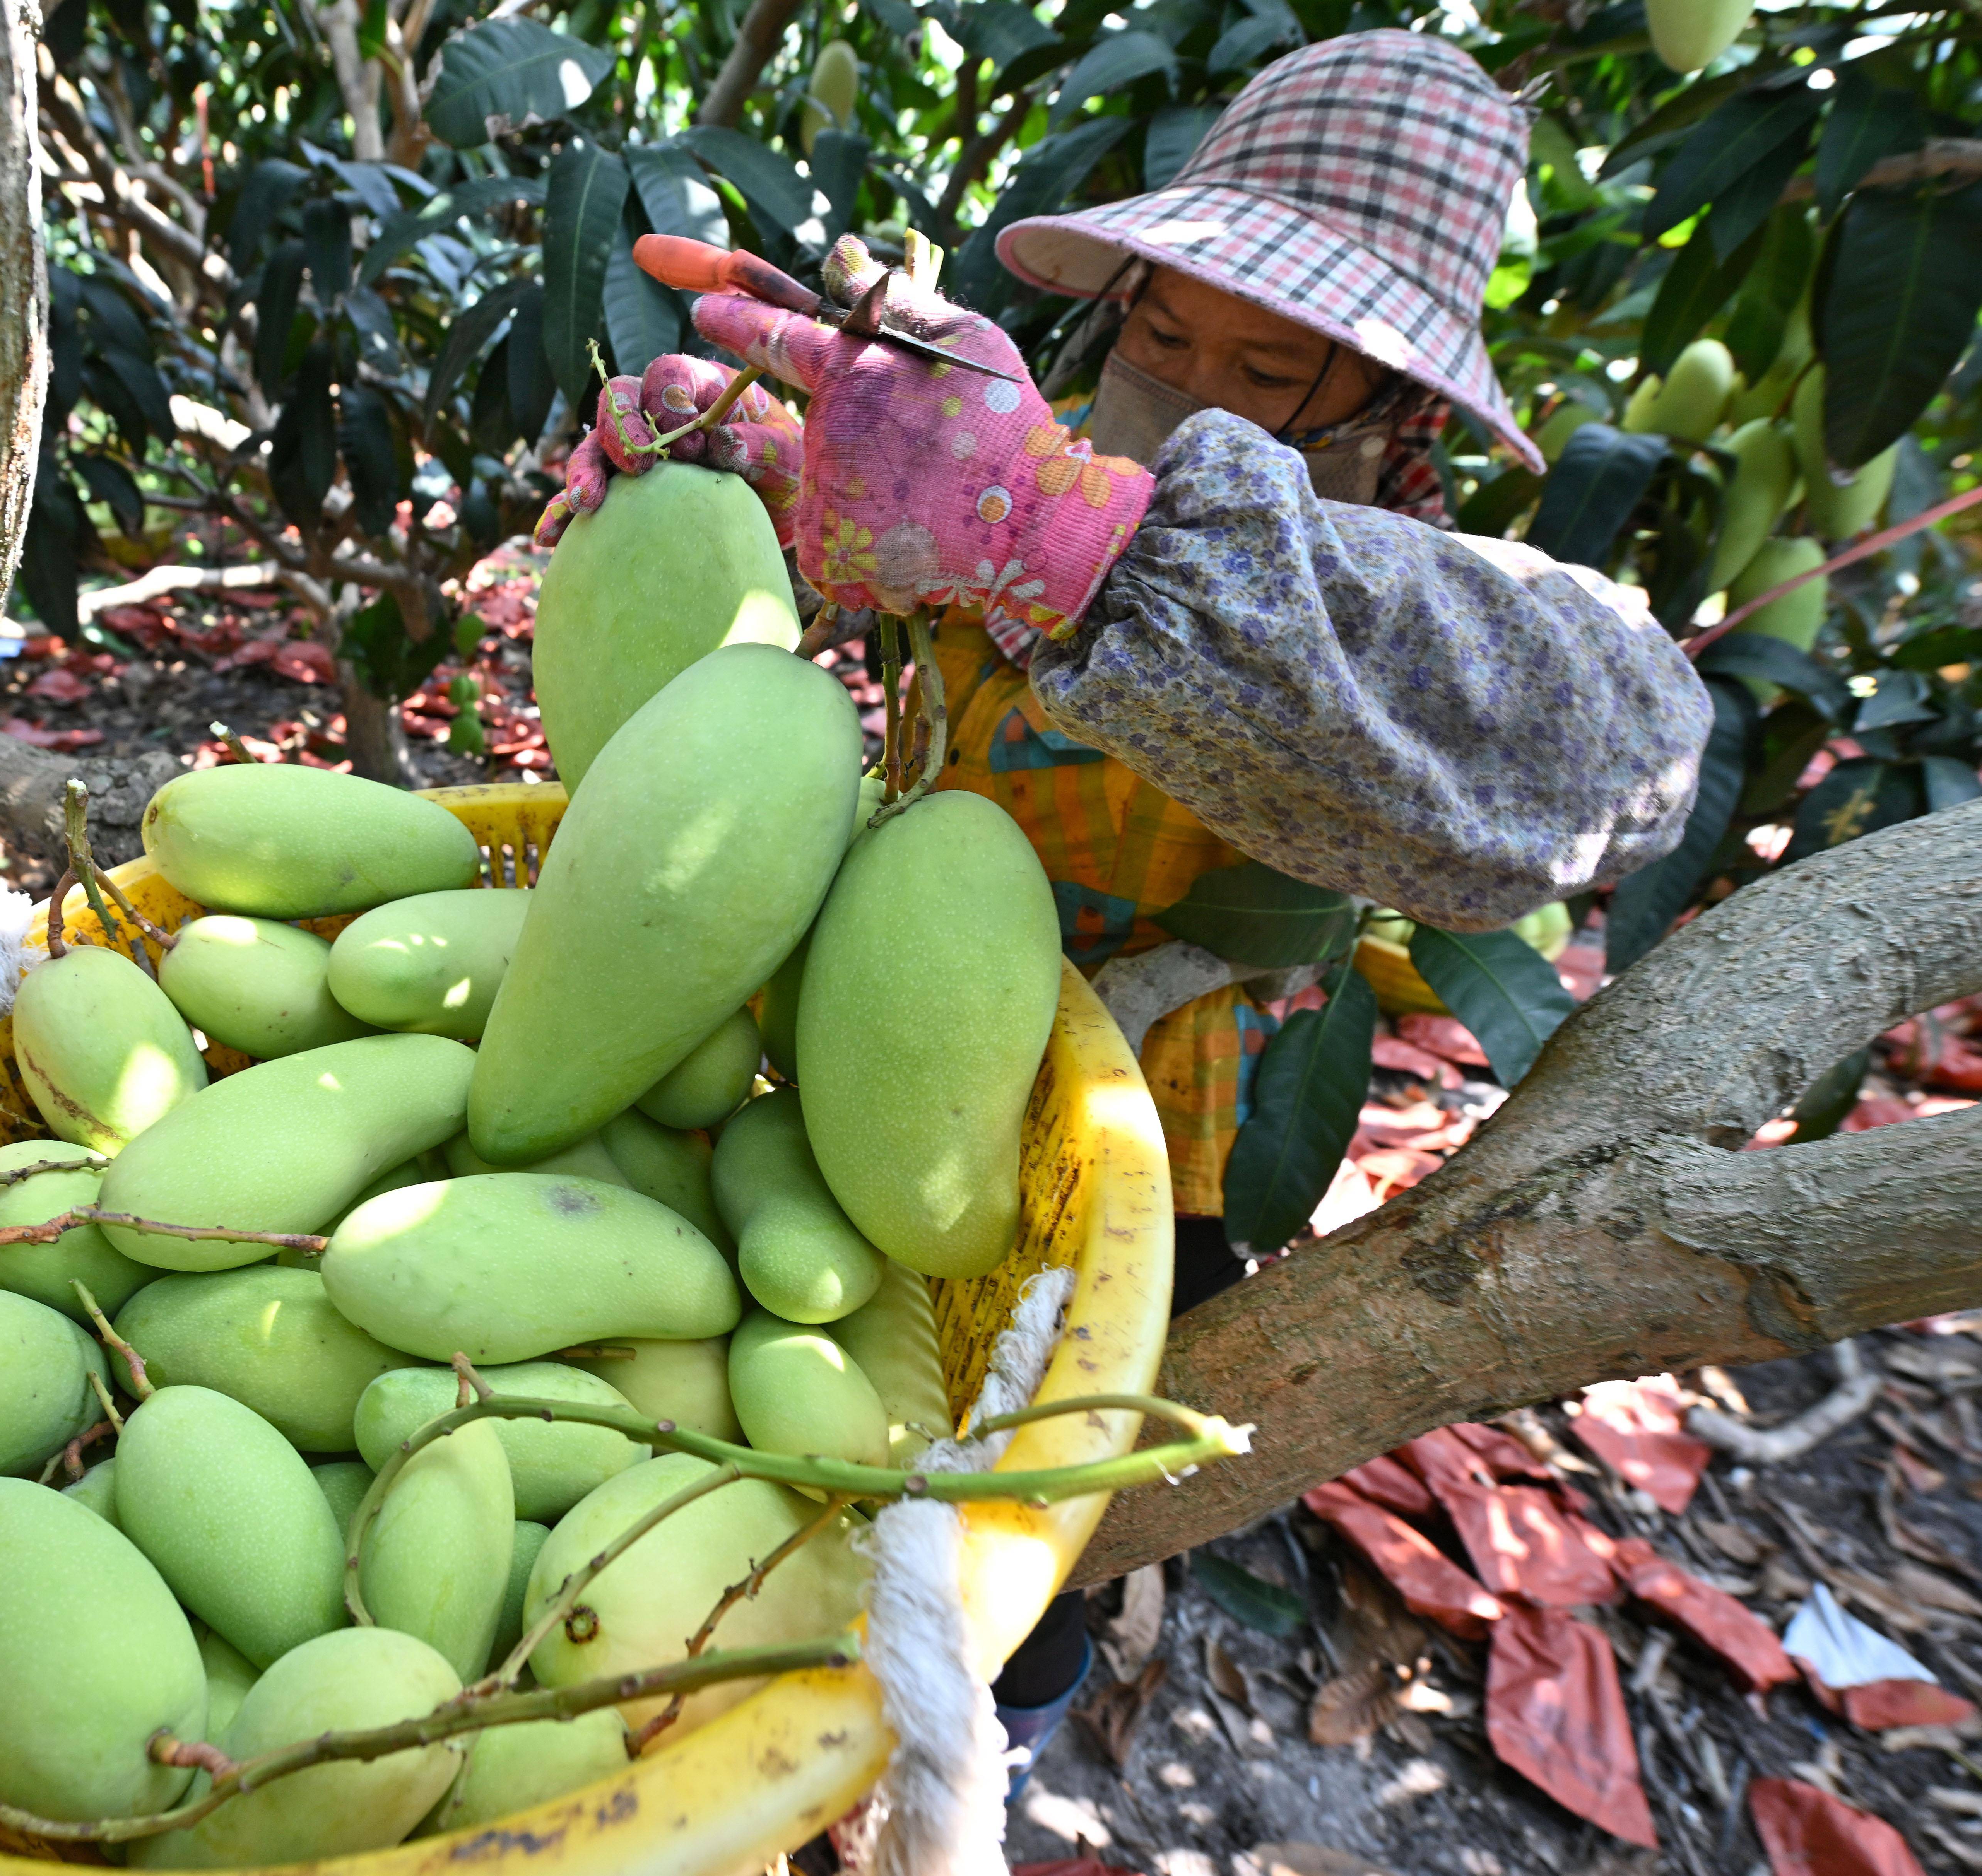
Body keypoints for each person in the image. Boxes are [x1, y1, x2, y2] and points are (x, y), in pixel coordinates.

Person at [535, 31, 1712, 1783]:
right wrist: (764, 484)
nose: (1189, 382)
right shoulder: (1021, 444)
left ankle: (995, 1733)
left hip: (1146, 1129)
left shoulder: (1392, 596)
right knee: (792, 1405)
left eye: (1270, 361)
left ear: (1393, 405)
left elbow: (1630, 750)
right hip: (875, 1032)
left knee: (1038, 1529)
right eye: (1165, 329)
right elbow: (935, 567)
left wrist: (1077, 534)